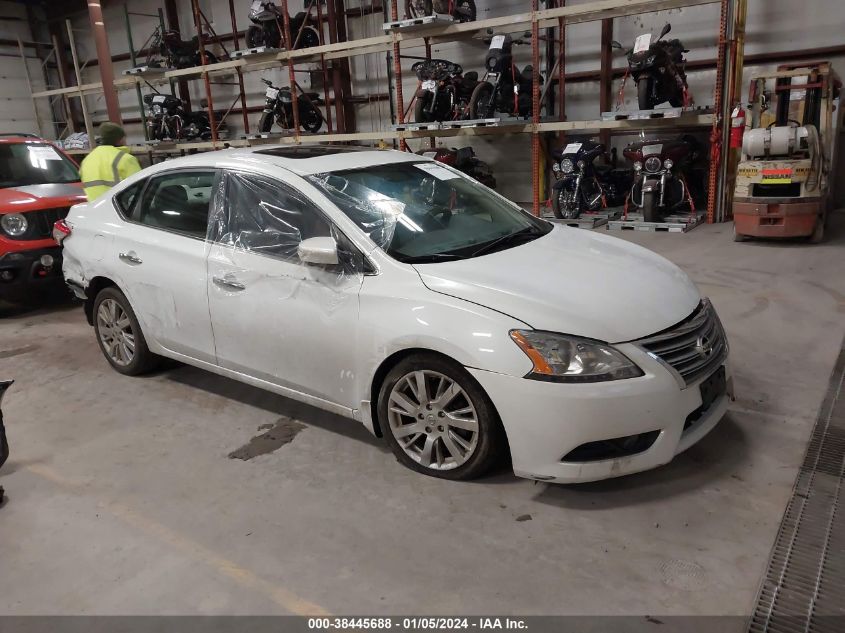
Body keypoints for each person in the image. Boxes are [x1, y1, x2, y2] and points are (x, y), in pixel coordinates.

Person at [79, 122, 141, 201]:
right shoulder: (125, 159)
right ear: (120, 140)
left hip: (94, 209)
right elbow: (140, 188)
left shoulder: (87, 160)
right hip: (119, 209)